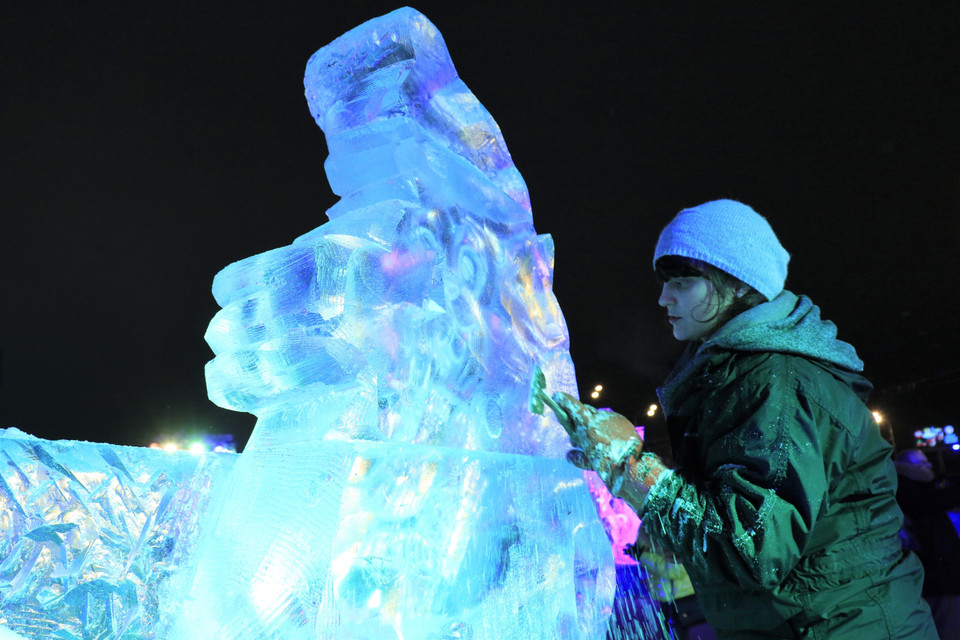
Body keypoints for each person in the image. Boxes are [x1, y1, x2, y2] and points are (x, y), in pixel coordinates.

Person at [552, 199, 937, 638]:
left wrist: (628, 465)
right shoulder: (743, 373)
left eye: (681, 282)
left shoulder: (777, 381)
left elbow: (752, 548)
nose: (663, 298)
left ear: (736, 285)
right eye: (664, 282)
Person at [895, 448, 960, 638]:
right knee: (948, 629)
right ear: (909, 467)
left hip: (934, 575)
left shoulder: (911, 487)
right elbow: (940, 499)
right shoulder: (908, 489)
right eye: (922, 463)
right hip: (937, 576)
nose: (928, 466)